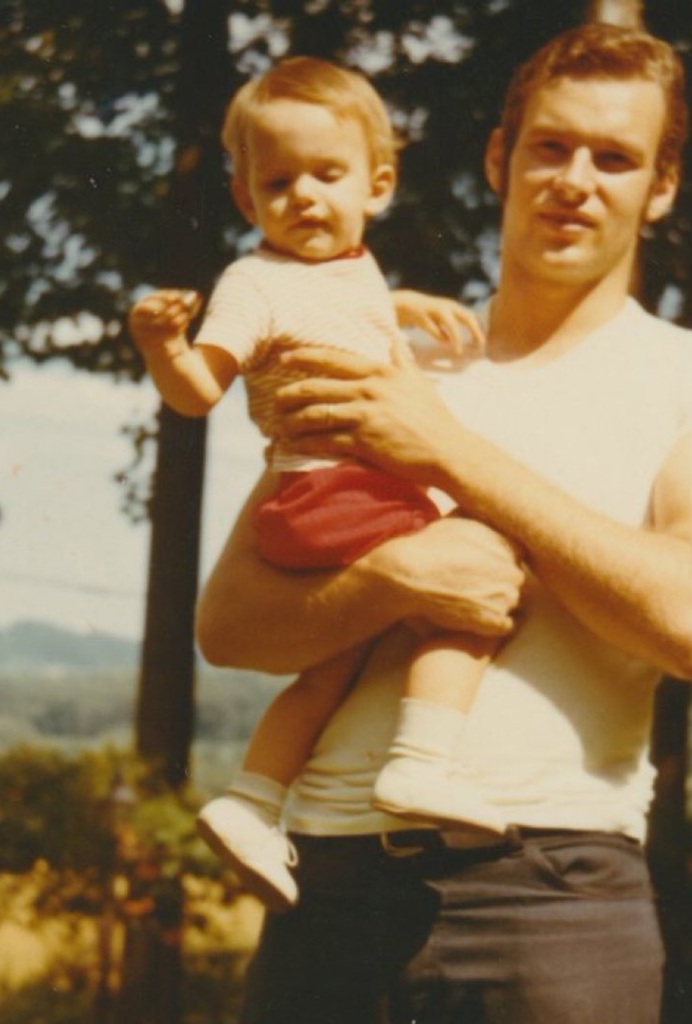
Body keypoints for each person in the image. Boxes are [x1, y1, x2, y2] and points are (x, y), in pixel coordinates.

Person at [196, 22, 692, 1024]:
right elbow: (230, 624)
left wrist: (445, 452)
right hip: (326, 885)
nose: (574, 178)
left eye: (614, 158)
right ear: (499, 158)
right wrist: (395, 580)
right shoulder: (383, 356)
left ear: (660, 187)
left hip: (549, 890)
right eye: (549, 147)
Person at [129, 57, 510, 912]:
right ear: (245, 201)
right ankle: (422, 762)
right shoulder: (252, 285)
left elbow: (340, 305)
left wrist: (402, 305)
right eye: (279, 182)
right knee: (478, 570)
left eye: (326, 175)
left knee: (332, 663)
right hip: (329, 489)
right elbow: (199, 393)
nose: (304, 196)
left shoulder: (349, 267)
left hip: (325, 500)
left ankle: (253, 800)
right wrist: (163, 349)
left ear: (376, 185)